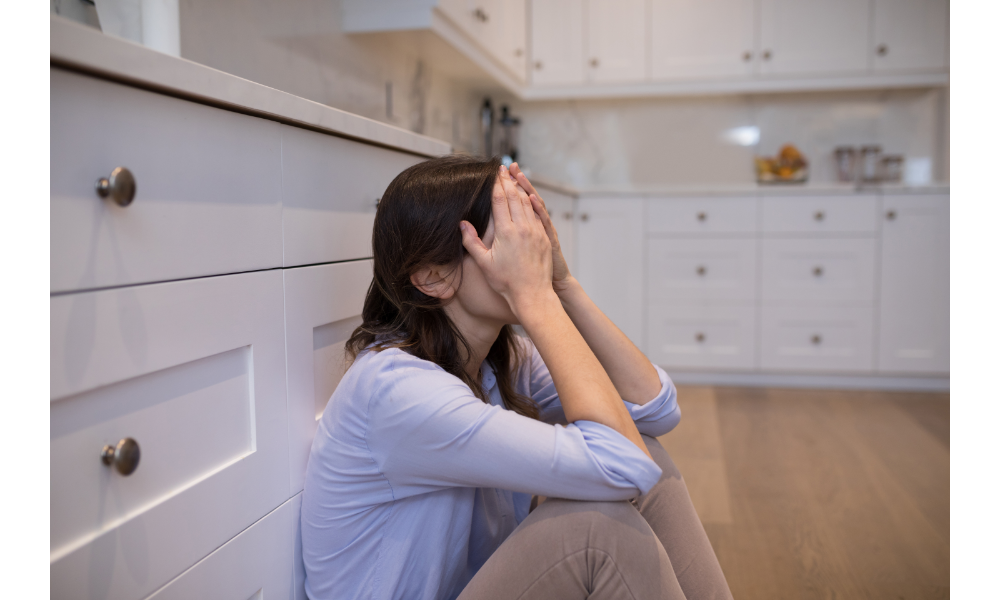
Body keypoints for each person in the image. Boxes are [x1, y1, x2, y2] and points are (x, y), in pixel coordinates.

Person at [301, 155, 733, 600]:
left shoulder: (498, 359)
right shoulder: (398, 391)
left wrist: (563, 285)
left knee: (651, 459)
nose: (531, 250)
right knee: (593, 531)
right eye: (508, 237)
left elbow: (656, 408)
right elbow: (621, 466)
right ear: (433, 277)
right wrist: (536, 297)